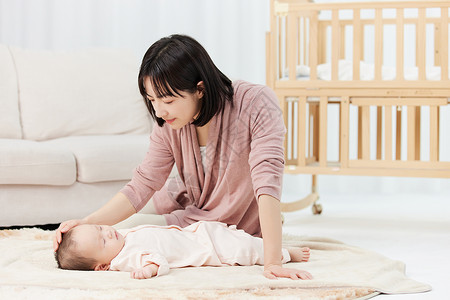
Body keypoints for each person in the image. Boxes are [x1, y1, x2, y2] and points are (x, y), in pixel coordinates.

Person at [54, 34, 310, 280]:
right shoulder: (167, 122)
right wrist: (85, 223)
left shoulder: (255, 102)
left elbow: (267, 179)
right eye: (151, 99)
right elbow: (144, 183)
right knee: (131, 231)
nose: (159, 111)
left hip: (231, 227)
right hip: (193, 215)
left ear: (200, 89)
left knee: (140, 229)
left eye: (167, 100)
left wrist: (273, 260)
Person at [55, 221, 312, 280]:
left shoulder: (121, 239)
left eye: (101, 228)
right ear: (102, 266)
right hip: (211, 251)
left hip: (200, 233)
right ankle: (286, 254)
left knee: (243, 237)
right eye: (102, 241)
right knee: (249, 250)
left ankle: (278, 247)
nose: (108, 232)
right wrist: (150, 270)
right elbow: (158, 260)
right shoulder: (124, 258)